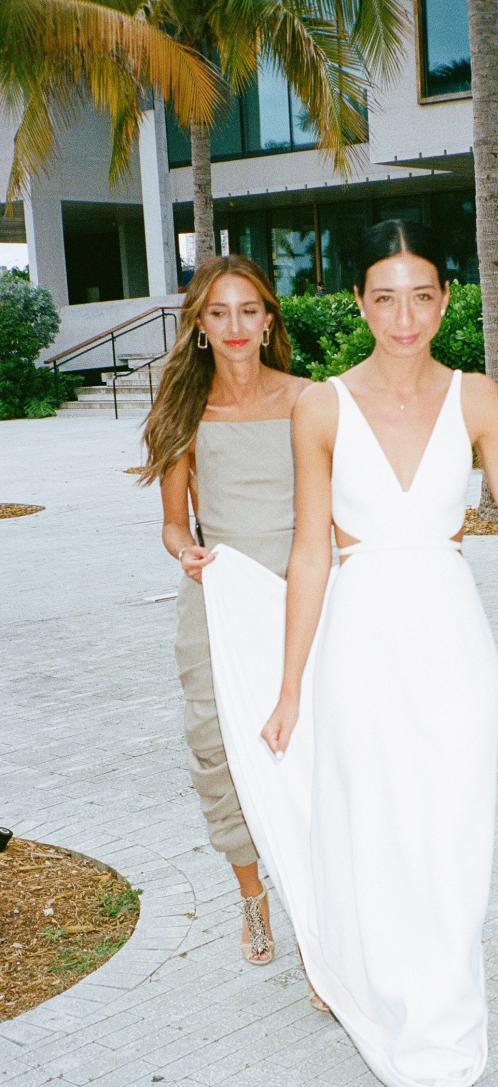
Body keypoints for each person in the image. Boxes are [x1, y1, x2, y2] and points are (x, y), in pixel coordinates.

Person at [201, 219, 498, 1087]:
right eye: (382, 296)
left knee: (450, 855)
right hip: (357, 644)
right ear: (357, 303)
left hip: (450, 645)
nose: (403, 315)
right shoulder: (320, 406)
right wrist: (289, 684)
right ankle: (371, 988)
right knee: (374, 843)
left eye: (422, 294)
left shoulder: (477, 396)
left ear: (445, 301)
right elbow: (311, 550)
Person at [142, 253, 309, 966]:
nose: (236, 325)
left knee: (307, 755)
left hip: (299, 597)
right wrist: (187, 553)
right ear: (200, 325)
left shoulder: (309, 399)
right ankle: (252, 895)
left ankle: (317, 922)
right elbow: (174, 523)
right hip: (218, 598)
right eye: (219, 312)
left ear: (269, 319)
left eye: (249, 310)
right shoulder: (184, 410)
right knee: (217, 751)